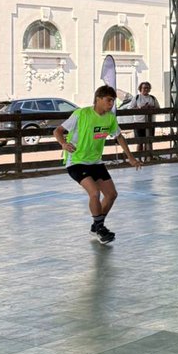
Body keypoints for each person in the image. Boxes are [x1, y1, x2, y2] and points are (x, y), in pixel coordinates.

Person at [55, 85, 141, 244]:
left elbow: (119, 137)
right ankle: (100, 228)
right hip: (76, 161)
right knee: (94, 193)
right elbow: (58, 131)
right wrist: (63, 144)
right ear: (98, 99)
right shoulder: (81, 114)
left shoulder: (110, 118)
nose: (111, 104)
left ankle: (96, 226)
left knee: (111, 194)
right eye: (109, 100)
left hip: (96, 162)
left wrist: (131, 157)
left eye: (113, 101)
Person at [129, 80, 159, 159]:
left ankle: (147, 158)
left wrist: (152, 108)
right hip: (139, 123)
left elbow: (158, 108)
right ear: (140, 89)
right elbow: (130, 109)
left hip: (150, 123)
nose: (146, 89)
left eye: (147, 88)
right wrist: (140, 108)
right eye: (144, 88)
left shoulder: (152, 98)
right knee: (140, 142)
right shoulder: (137, 98)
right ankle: (139, 158)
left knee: (149, 142)